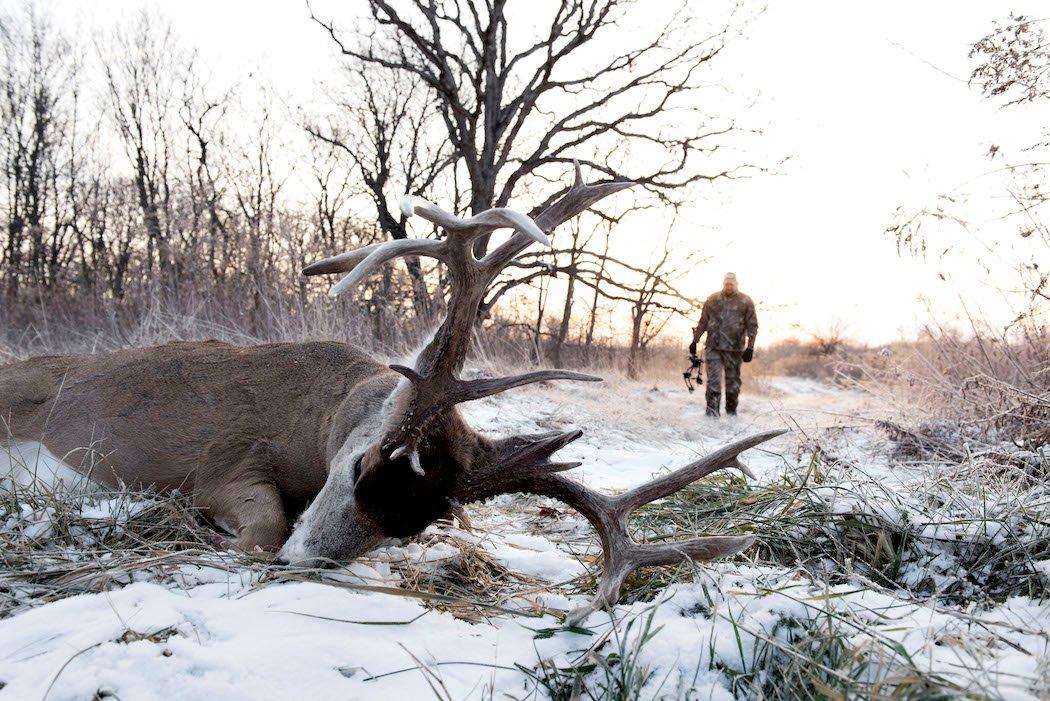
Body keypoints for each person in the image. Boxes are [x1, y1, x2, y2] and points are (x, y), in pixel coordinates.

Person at [688, 273, 758, 417]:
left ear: (736, 284)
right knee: (713, 382)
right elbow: (703, 322)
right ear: (723, 283)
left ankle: (731, 415)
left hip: (735, 349)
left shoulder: (745, 301)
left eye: (731, 284)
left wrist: (750, 347)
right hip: (713, 348)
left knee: (733, 384)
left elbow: (752, 325)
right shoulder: (712, 299)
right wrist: (695, 341)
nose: (729, 286)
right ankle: (712, 415)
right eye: (726, 284)